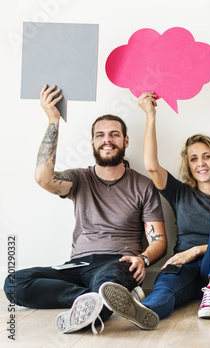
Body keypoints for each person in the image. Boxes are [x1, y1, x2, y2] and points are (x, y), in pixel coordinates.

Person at [3, 85, 167, 334]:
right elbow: (42, 177)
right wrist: (53, 119)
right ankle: (102, 301)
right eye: (100, 135)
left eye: (113, 134)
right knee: (15, 283)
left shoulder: (142, 185)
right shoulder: (79, 179)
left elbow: (159, 240)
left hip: (118, 262)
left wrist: (143, 259)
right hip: (77, 265)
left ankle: (100, 300)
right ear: (92, 142)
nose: (107, 140)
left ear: (125, 141)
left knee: (106, 283)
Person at [98, 92, 210, 325]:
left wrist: (195, 251)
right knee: (162, 292)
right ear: (188, 165)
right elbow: (151, 166)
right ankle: (141, 312)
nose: (200, 163)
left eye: (206, 156)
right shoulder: (180, 192)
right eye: (193, 159)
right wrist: (150, 115)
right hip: (183, 267)